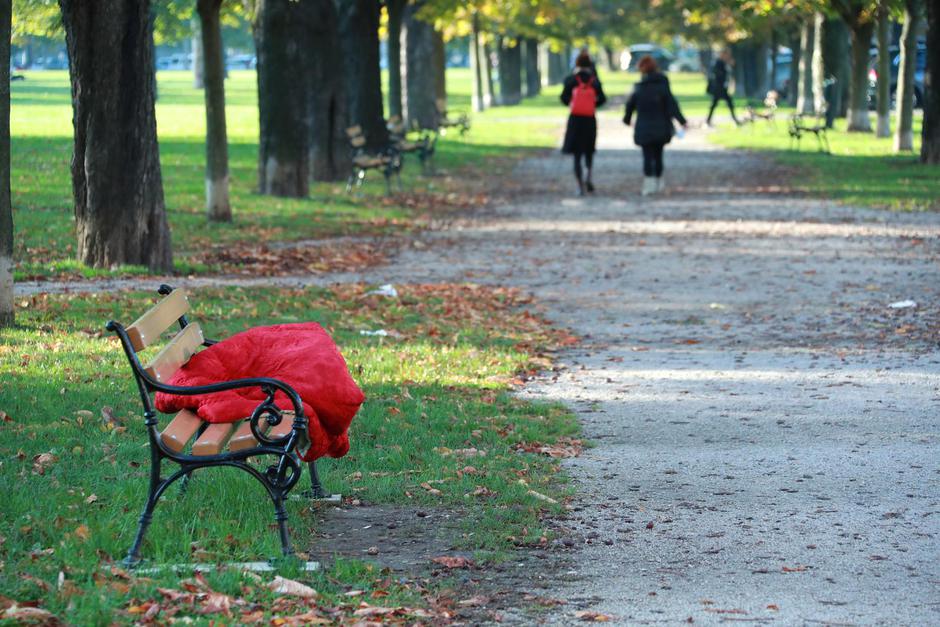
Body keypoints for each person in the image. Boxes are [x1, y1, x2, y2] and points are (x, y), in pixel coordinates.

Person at [623, 55, 687, 196]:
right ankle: (659, 182)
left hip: (644, 127)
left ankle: (648, 184)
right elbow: (672, 106)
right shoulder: (663, 87)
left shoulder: (639, 88)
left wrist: (627, 120)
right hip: (661, 126)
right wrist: (682, 121)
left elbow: (629, 107)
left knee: (647, 156)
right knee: (658, 155)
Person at [560, 51, 607, 195]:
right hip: (589, 119)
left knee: (577, 153)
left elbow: (563, 98)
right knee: (589, 150)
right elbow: (602, 99)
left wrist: (573, 103)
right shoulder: (594, 80)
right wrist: (592, 104)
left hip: (575, 119)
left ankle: (580, 185)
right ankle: (588, 175)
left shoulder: (571, 79)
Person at [706, 49, 740, 126]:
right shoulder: (718, 63)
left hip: (722, 88)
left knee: (719, 104)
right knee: (717, 104)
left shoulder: (724, 63)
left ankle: (708, 120)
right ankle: (734, 119)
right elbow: (717, 74)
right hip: (719, 88)